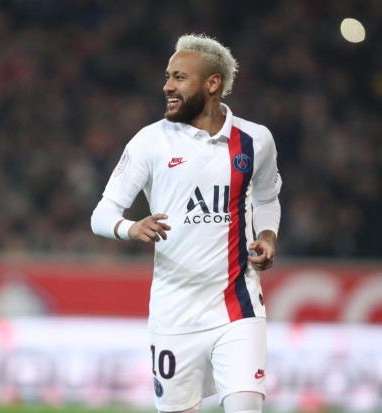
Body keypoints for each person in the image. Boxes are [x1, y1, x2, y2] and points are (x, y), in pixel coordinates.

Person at [91, 34, 282, 413]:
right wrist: (130, 227)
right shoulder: (150, 142)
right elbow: (102, 214)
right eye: (167, 77)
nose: (167, 86)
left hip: (238, 307)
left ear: (212, 84)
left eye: (179, 77)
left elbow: (266, 198)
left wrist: (267, 236)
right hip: (174, 315)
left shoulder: (255, 140)